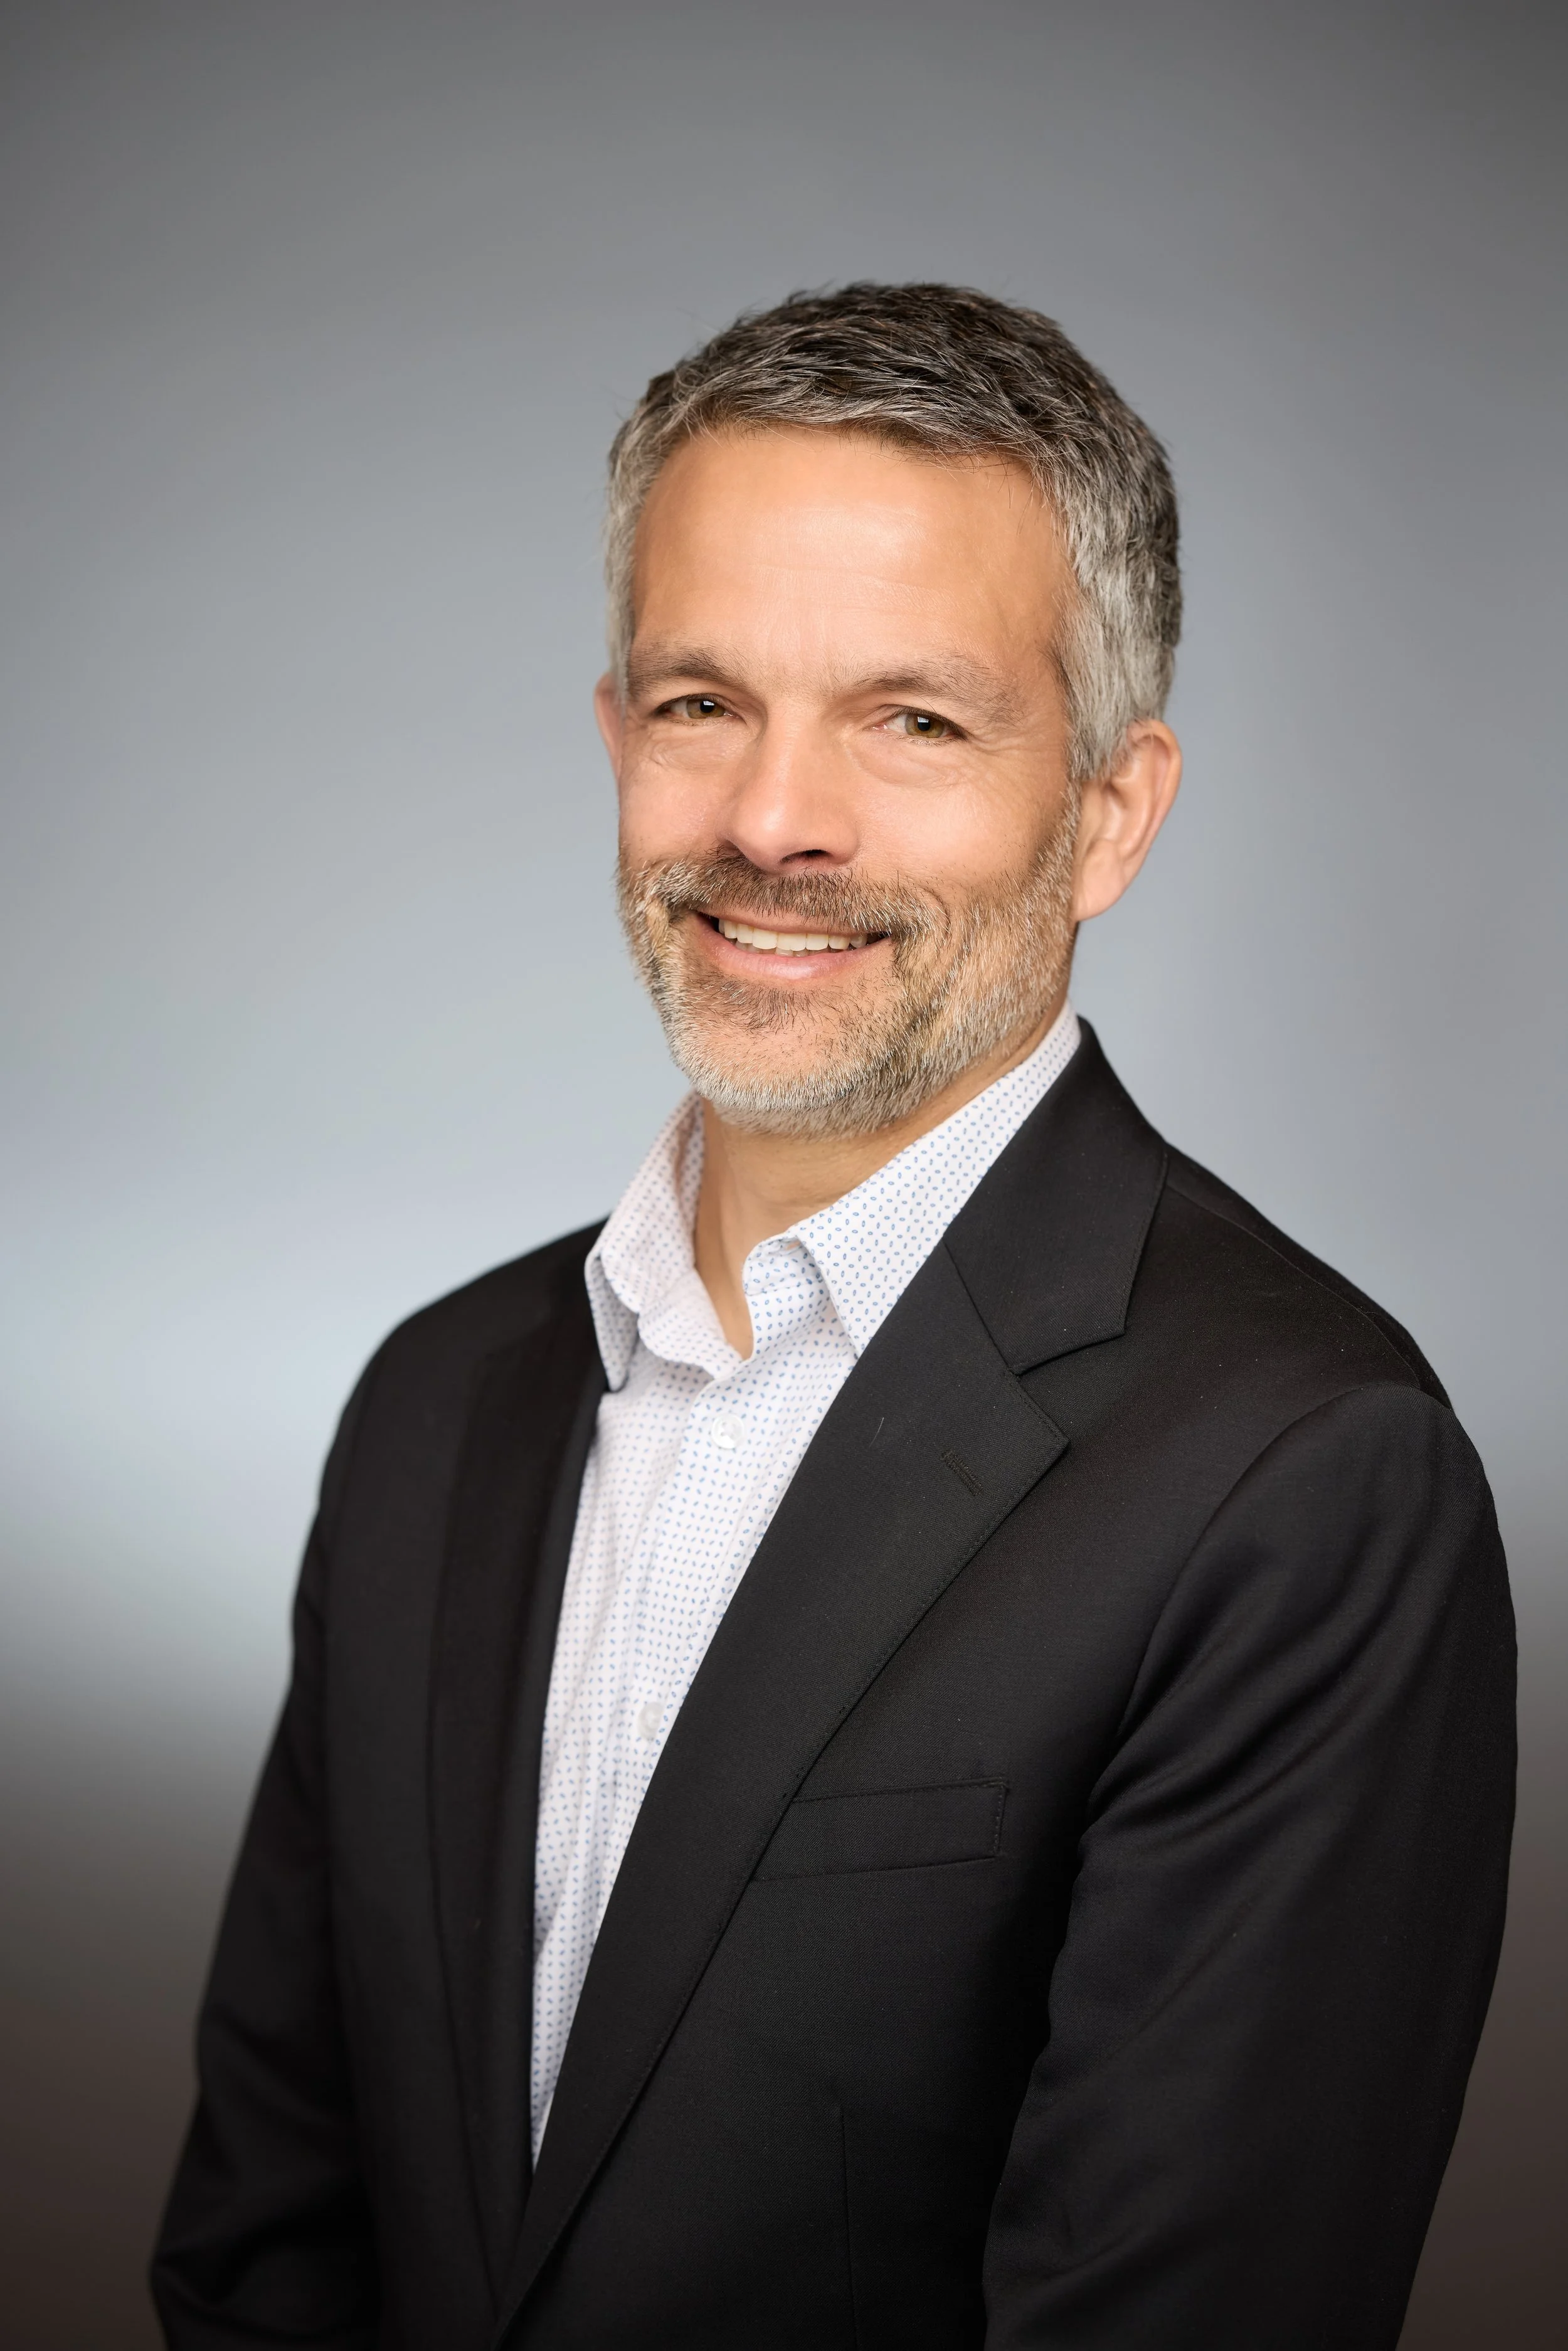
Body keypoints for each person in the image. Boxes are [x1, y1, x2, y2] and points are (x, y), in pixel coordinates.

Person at [151, 284, 1514, 2351]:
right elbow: (271, 2240)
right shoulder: (436, 1402)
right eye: (703, 701)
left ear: (1110, 813)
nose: (772, 822)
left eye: (914, 718)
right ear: (617, 736)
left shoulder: (1303, 1476)